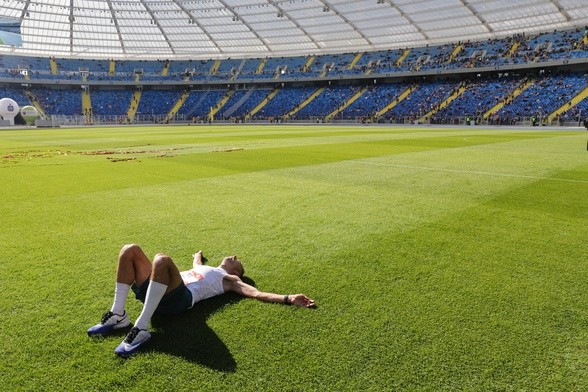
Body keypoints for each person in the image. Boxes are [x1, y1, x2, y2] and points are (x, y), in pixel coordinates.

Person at [87, 244, 316, 357]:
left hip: (180, 300)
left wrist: (288, 298)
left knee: (162, 260)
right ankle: (119, 316)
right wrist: (198, 254)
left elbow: (255, 293)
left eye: (238, 261)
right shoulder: (207, 267)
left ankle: (142, 327)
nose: (234, 257)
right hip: (161, 290)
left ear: (236, 273)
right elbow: (197, 262)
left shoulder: (228, 280)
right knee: (130, 250)